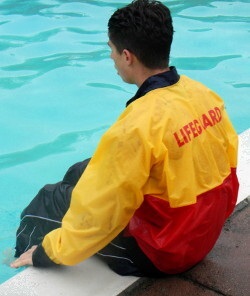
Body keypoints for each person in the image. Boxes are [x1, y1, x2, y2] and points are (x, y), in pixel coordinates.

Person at [11, 0, 239, 277]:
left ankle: (18, 260)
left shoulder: (136, 126)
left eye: (112, 50)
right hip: (202, 233)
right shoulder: (203, 94)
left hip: (163, 253)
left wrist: (49, 252)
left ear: (127, 56)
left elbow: (99, 218)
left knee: (48, 199)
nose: (111, 58)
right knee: (82, 171)